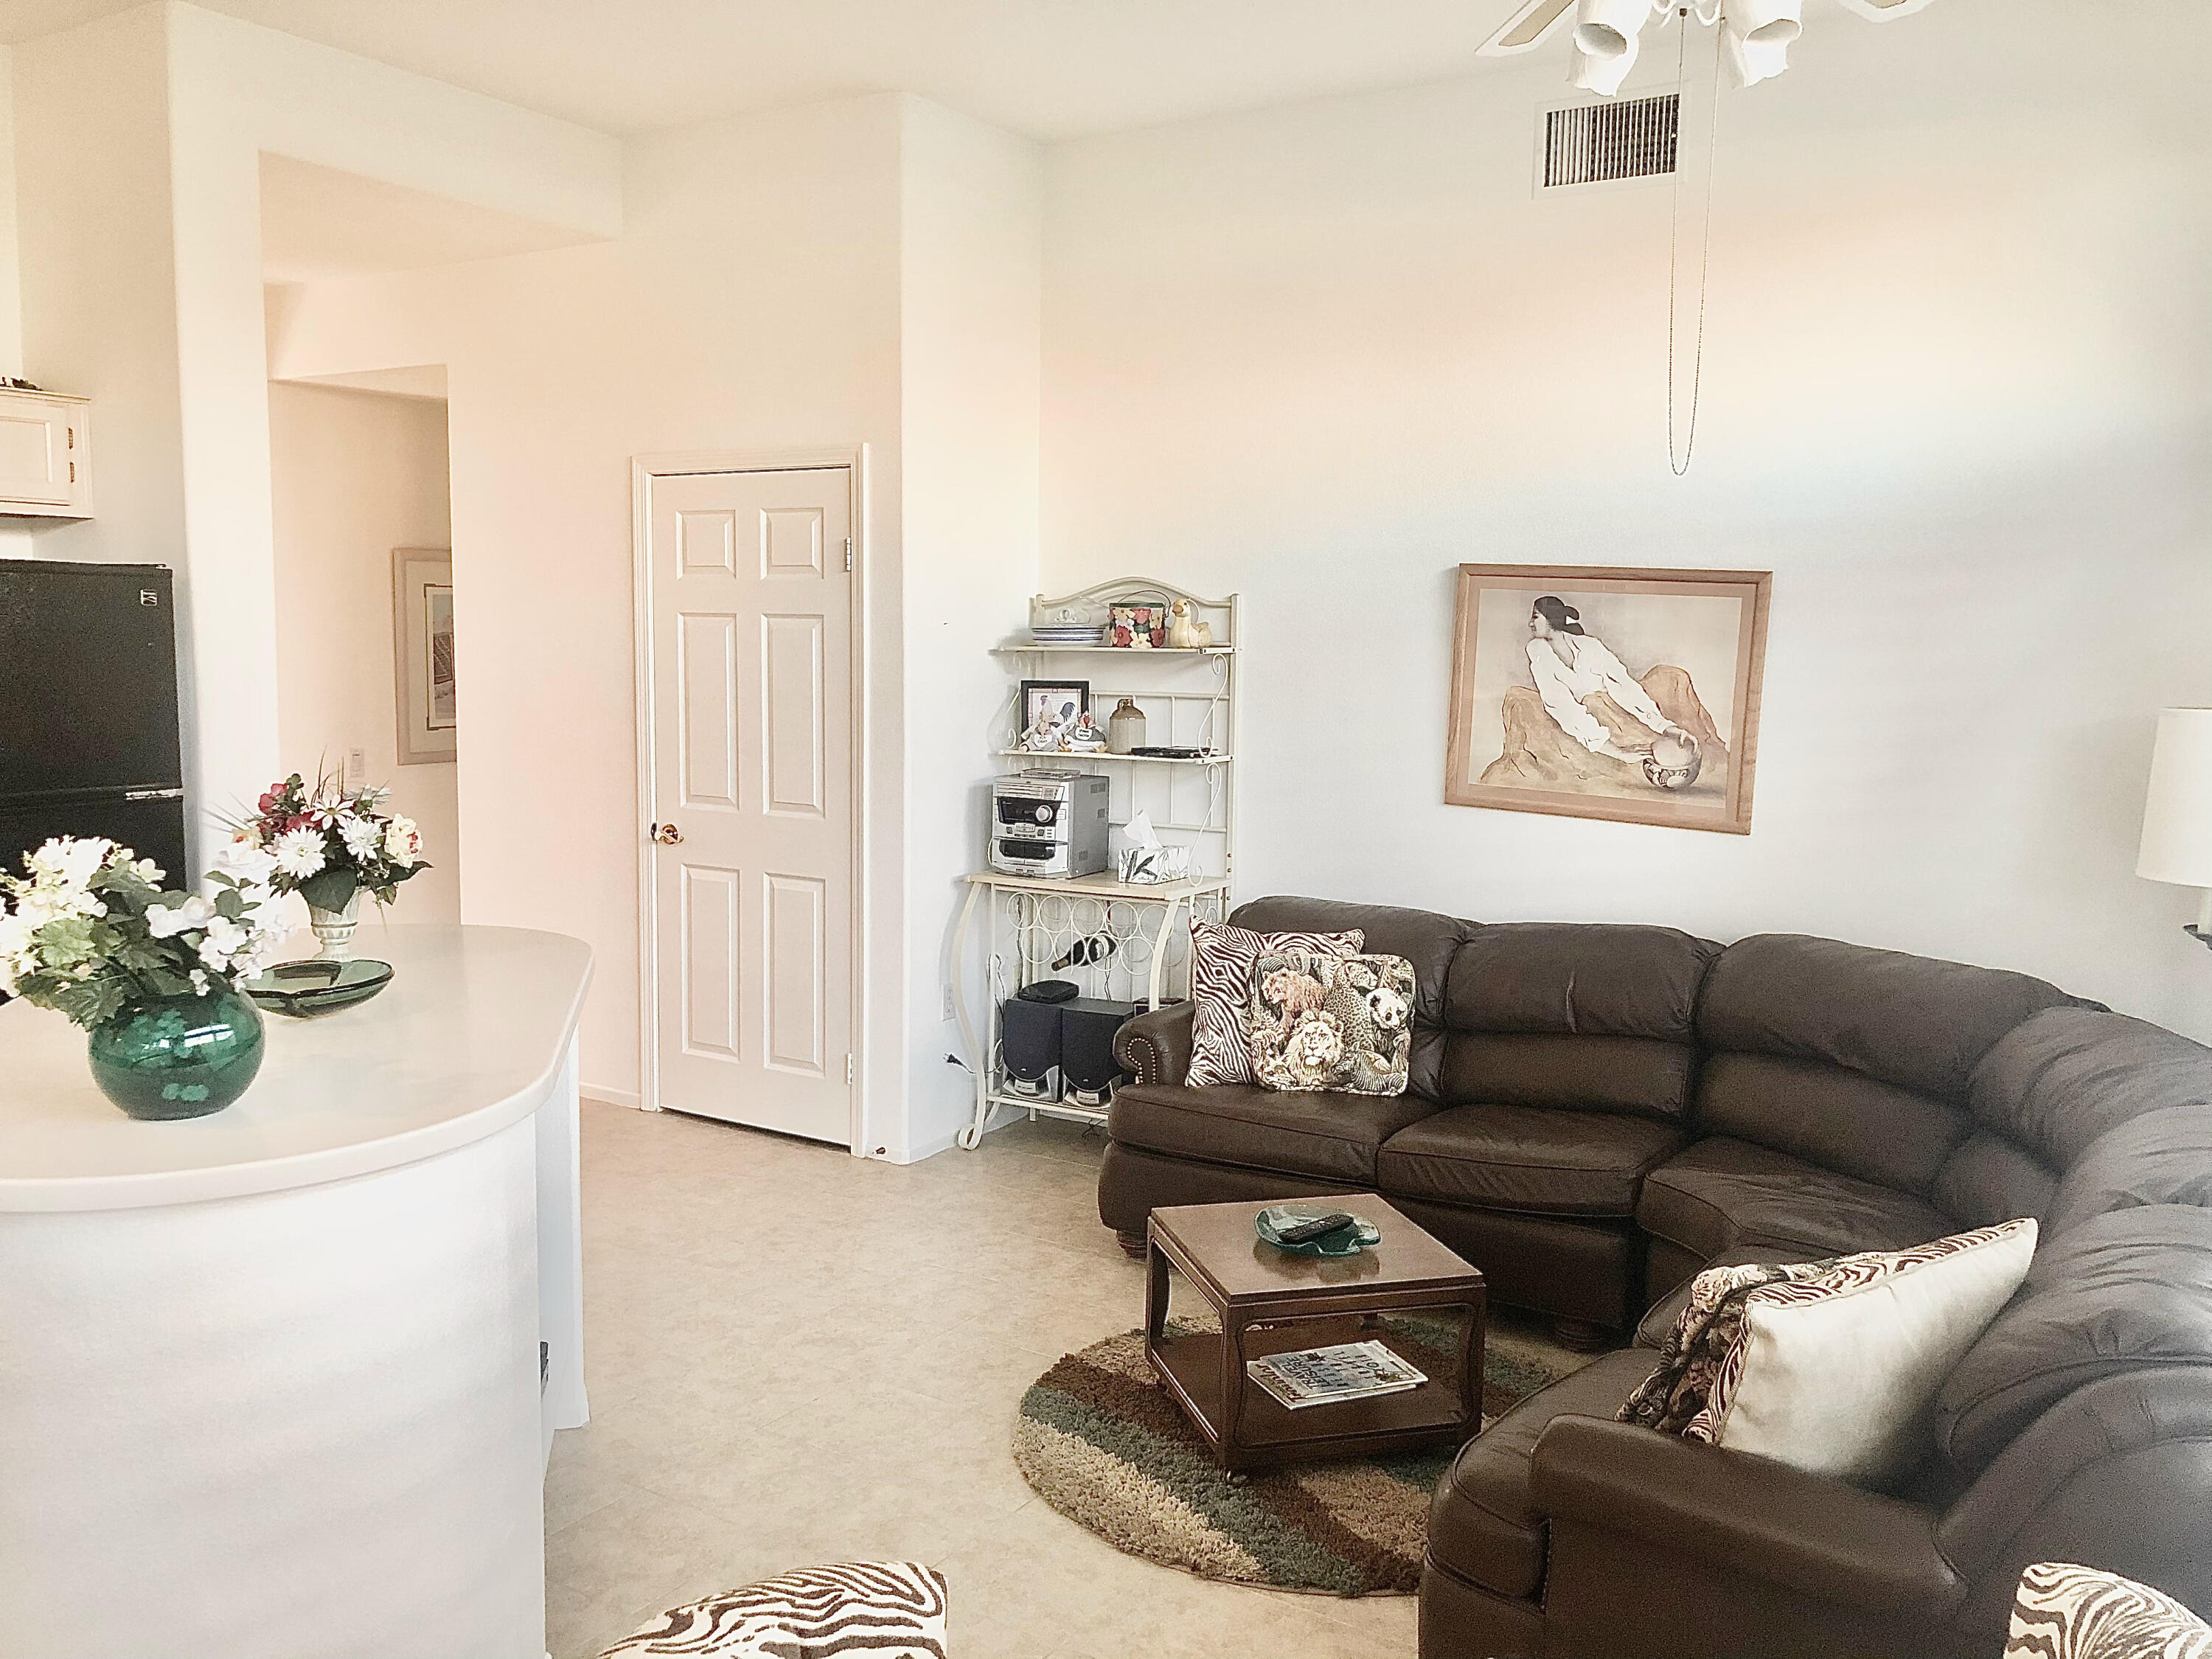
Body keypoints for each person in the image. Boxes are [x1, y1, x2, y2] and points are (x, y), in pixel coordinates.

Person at [1525, 596, 1696, 765]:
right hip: (1593, 724)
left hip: (1621, 709)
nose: (1530, 624)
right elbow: (1561, 705)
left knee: (1672, 677)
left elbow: (1623, 684)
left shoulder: (1590, 646)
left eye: (1535, 617)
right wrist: (1617, 752)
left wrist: (1664, 725)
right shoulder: (1538, 650)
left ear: (1551, 618)